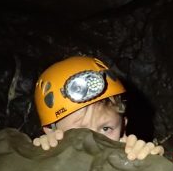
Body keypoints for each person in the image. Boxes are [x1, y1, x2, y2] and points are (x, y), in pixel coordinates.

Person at [32, 56, 163, 160]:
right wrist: (44, 156)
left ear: (123, 128)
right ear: (51, 131)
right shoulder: (46, 157)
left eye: (106, 129)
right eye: (80, 131)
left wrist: (148, 164)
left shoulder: (127, 156)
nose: (95, 142)